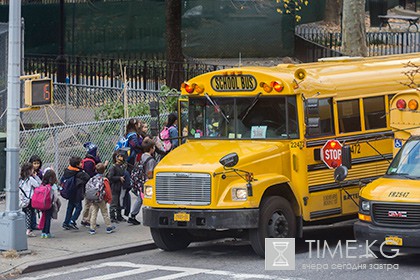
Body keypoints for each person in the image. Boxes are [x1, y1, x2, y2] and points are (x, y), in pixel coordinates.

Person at [128, 137, 157, 225]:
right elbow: (149, 172)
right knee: (143, 198)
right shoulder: (151, 160)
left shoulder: (142, 156)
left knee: (140, 198)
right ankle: (133, 215)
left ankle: (132, 215)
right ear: (151, 148)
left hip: (140, 180)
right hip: (147, 181)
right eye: (153, 147)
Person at [80, 142, 109, 227]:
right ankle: (87, 220)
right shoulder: (90, 162)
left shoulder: (90, 160)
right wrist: (104, 166)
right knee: (89, 204)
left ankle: (86, 219)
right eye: (96, 151)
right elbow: (91, 174)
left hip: (88, 186)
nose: (98, 153)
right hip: (91, 187)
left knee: (88, 203)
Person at [61, 156, 90, 230]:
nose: (81, 164)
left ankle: (66, 222)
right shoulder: (79, 173)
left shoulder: (67, 171)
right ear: (77, 165)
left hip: (70, 192)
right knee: (78, 208)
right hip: (77, 193)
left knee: (70, 208)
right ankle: (72, 220)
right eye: (80, 163)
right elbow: (87, 178)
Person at [88, 163, 115, 235]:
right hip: (101, 198)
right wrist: (109, 199)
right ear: (104, 171)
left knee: (94, 213)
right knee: (104, 212)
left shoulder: (92, 179)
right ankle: (108, 227)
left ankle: (92, 228)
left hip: (93, 198)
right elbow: (108, 190)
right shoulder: (104, 180)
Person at [19, 162, 41, 237]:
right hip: (30, 199)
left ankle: (24, 228)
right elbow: (38, 185)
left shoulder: (21, 179)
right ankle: (28, 230)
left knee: (25, 213)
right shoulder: (30, 179)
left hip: (23, 198)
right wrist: (36, 177)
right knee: (30, 214)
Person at [108, 150, 128, 223]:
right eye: (119, 156)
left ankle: (119, 216)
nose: (121, 158)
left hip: (119, 187)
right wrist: (119, 178)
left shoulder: (120, 166)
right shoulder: (113, 167)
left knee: (119, 202)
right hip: (114, 187)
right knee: (114, 202)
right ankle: (112, 217)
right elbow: (110, 177)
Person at [39, 169, 60, 239]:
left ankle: (43, 232)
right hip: (49, 204)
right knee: (48, 218)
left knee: (44, 217)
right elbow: (55, 197)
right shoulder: (53, 186)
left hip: (42, 204)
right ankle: (47, 232)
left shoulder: (42, 184)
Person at [29, 155, 43, 231]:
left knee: (34, 209)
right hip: (30, 193)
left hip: (37, 193)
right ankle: (30, 224)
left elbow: (41, 183)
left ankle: (33, 224)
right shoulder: (28, 173)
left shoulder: (40, 173)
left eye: (38, 163)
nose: (36, 165)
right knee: (30, 209)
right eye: (34, 163)